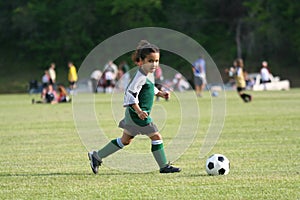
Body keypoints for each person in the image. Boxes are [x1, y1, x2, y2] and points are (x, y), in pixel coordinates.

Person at [88, 40, 181, 174]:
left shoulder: (148, 74)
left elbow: (148, 88)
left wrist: (160, 93)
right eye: (150, 61)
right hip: (137, 115)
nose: (154, 64)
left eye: (156, 61)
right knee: (156, 137)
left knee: (125, 140)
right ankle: (164, 166)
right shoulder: (140, 76)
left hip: (133, 114)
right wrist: (139, 112)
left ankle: (96, 156)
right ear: (141, 61)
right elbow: (130, 94)